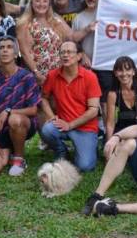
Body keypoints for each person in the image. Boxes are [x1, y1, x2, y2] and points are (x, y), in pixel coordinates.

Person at [0, 36, 40, 176]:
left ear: (15, 53)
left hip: (23, 124)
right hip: (1, 130)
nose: (5, 51)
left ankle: (19, 159)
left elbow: (34, 110)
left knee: (15, 119)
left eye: (9, 47)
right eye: (1, 48)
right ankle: (9, 149)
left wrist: (8, 111)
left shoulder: (27, 77)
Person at [40, 41, 101, 172]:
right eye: (62, 52)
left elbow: (93, 110)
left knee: (85, 166)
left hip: (85, 128)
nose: (65, 55)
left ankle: (90, 145)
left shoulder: (90, 77)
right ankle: (62, 152)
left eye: (69, 52)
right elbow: (43, 99)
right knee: (47, 130)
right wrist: (51, 117)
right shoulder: (53, 75)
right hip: (62, 124)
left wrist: (70, 125)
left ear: (79, 56)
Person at [17, 0, 73, 86]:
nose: (41, 4)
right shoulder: (25, 24)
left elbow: (71, 39)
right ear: (31, 3)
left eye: (45, 1)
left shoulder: (55, 21)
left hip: (58, 74)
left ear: (49, 4)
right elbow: (25, 52)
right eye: (37, 1)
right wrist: (36, 72)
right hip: (39, 76)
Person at [72, 0, 114, 114]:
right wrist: (82, 54)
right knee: (88, 101)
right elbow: (74, 41)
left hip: (106, 65)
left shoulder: (109, 13)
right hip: (86, 66)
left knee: (107, 101)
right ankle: (94, 130)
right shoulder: (78, 18)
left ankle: (109, 132)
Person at [105, 56, 137, 151]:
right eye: (120, 70)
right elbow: (110, 123)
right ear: (115, 73)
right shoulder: (113, 94)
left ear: (133, 72)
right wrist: (109, 144)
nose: (124, 74)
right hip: (123, 130)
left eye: (128, 70)